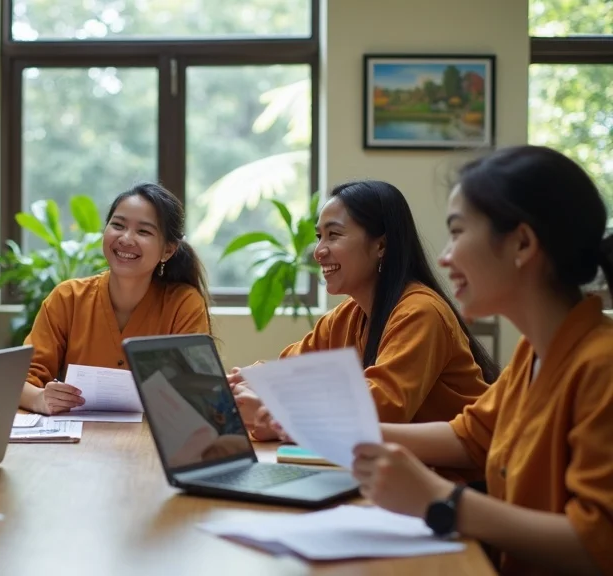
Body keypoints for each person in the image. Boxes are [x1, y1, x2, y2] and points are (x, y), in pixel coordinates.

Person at [352, 146, 613, 576]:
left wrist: (444, 501)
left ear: (522, 243)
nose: (443, 257)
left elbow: (596, 545)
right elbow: (470, 435)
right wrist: (353, 434)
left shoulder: (600, 367)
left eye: (457, 232)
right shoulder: (536, 351)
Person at [230, 180, 499, 440]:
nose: (318, 251)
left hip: (453, 477)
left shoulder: (420, 311)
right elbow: (290, 370)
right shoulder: (347, 316)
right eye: (318, 236)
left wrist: (275, 410)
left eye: (333, 235)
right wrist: (247, 381)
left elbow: (382, 408)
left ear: (381, 245)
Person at [20, 183, 212, 415]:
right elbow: (21, 380)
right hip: (78, 443)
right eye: (118, 225)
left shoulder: (183, 304)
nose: (126, 238)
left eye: (144, 231)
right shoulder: (67, 298)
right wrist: (40, 398)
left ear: (168, 250)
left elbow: (195, 391)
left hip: (149, 444)